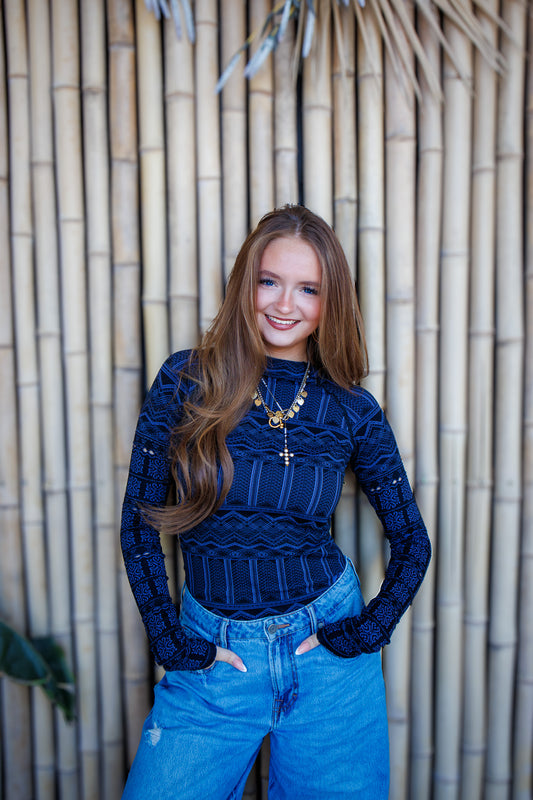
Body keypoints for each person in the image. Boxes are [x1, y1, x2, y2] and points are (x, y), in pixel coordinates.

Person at [120, 204, 431, 799]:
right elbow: (139, 525)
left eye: (308, 289)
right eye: (269, 281)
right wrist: (168, 639)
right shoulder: (186, 382)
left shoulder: (349, 408)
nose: (284, 305)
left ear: (329, 301)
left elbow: (414, 543)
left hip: (328, 661)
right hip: (214, 660)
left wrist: (364, 633)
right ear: (245, 284)